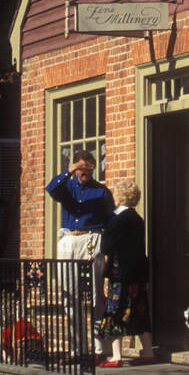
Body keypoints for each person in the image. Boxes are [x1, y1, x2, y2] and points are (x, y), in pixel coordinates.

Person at [45, 150, 115, 357]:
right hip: (69, 240)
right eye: (81, 167)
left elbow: (109, 221)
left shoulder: (101, 191)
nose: (85, 171)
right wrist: (70, 170)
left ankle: (99, 347)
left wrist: (109, 251)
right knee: (70, 296)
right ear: (75, 168)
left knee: (95, 295)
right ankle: (77, 349)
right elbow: (51, 188)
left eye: (88, 167)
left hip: (92, 238)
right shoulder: (66, 187)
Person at [97, 180, 155, 367]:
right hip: (138, 271)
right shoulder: (137, 219)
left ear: (119, 196)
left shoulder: (117, 220)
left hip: (120, 271)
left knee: (116, 310)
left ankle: (116, 356)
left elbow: (106, 247)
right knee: (140, 310)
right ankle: (147, 351)